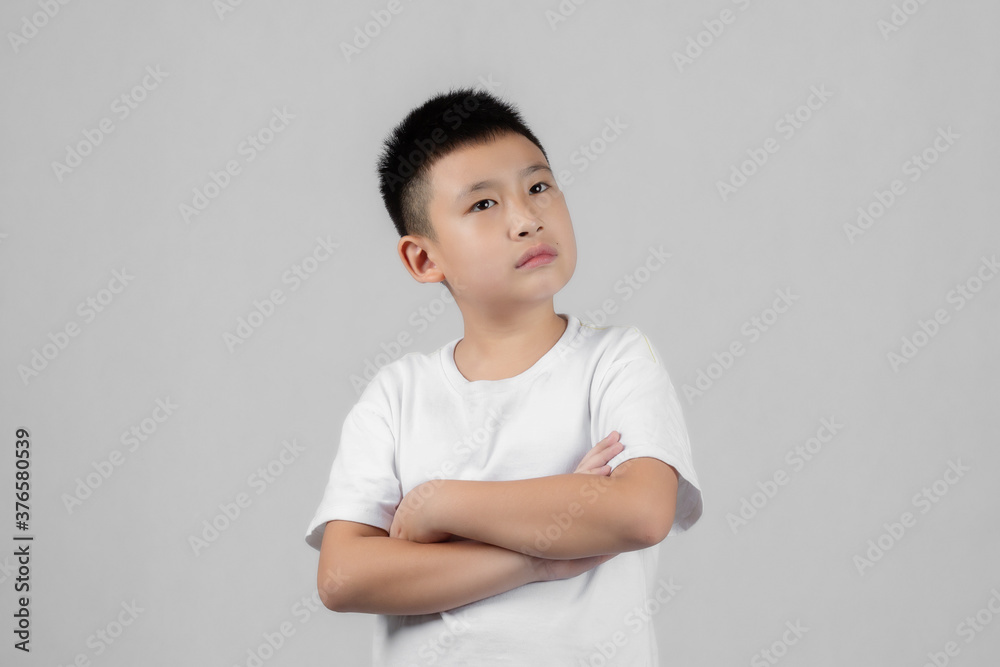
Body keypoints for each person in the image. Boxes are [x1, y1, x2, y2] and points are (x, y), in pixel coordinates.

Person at [304, 86, 704, 666]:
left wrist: (437, 506)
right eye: (483, 205)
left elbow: (639, 513)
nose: (526, 219)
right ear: (424, 258)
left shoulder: (617, 362)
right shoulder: (396, 397)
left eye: (538, 187)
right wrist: (539, 556)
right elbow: (343, 577)